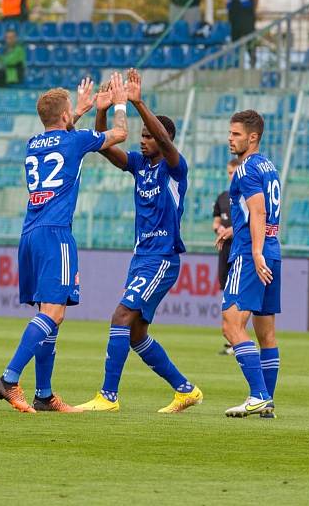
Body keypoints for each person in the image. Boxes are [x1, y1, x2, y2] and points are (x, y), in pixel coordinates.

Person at [0, 74, 128, 413]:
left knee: (51, 314)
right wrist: (119, 102)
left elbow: (59, 134)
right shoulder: (75, 140)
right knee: (53, 313)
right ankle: (9, 379)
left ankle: (44, 395)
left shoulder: (32, 143)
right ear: (66, 117)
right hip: (55, 234)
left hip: (30, 233)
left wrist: (78, 109)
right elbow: (120, 134)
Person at [76, 69, 203, 414]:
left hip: (163, 257)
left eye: (149, 136)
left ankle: (108, 396)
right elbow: (104, 147)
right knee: (135, 334)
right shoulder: (139, 165)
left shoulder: (175, 167)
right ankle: (185, 390)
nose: (143, 140)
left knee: (120, 316)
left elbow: (164, 141)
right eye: (142, 136)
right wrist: (102, 110)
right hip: (141, 257)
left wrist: (138, 102)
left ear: (162, 140)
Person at [217, 110, 281, 419]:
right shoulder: (269, 166)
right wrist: (235, 229)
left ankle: (257, 394)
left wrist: (254, 253)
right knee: (266, 332)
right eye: (230, 133)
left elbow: (258, 212)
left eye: (236, 134)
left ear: (252, 137)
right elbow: (258, 211)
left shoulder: (245, 170)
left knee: (231, 324)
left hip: (249, 255)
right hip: (273, 250)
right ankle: (267, 403)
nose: (230, 139)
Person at [213, 157, 239, 356]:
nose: (232, 176)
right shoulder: (222, 197)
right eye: (229, 173)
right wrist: (219, 228)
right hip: (224, 253)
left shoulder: (246, 197)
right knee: (227, 296)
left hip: (240, 253)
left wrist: (231, 230)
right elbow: (215, 222)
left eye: (234, 173)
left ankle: (236, 340)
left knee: (237, 299)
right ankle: (233, 340)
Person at [226, 0, 259, 68]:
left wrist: (254, 9)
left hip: (246, 12)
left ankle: (252, 62)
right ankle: (235, 63)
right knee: (234, 38)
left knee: (250, 38)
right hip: (233, 12)